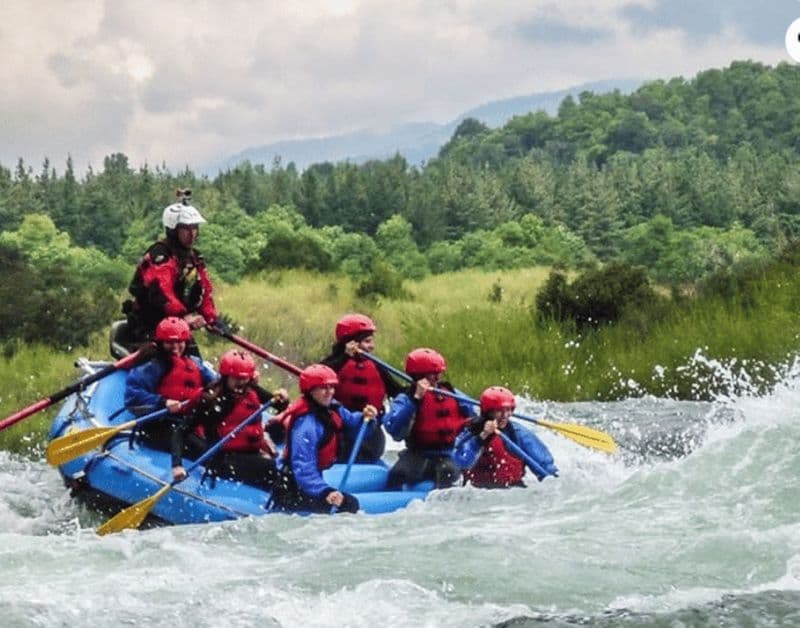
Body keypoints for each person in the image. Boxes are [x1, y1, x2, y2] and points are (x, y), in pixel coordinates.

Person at [171, 349, 289, 490]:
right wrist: (177, 465)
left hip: (250, 451)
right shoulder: (208, 400)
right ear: (225, 376)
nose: (241, 384)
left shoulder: (249, 388)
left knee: (282, 446)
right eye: (236, 379)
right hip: (223, 459)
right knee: (275, 470)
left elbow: (279, 405)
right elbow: (180, 432)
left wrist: (283, 398)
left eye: (245, 378)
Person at [122, 188, 218, 355]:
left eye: (194, 228)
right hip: (149, 328)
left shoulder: (194, 257)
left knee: (196, 368)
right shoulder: (160, 256)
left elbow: (205, 290)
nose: (192, 233)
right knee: (167, 368)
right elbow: (162, 292)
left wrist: (211, 318)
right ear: (173, 229)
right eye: (186, 229)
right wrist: (184, 318)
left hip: (177, 328)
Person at [273, 364, 377, 514]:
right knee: (350, 504)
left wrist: (366, 417)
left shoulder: (332, 408)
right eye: (323, 388)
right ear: (311, 390)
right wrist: (325, 492)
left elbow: (353, 424)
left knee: (348, 503)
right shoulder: (306, 425)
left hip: (309, 483)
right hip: (293, 487)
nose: (329, 392)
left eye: (331, 387)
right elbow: (303, 468)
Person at [382, 348, 475, 489]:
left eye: (439, 373)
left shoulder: (453, 394)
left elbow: (474, 418)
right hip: (417, 453)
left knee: (447, 472)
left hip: (448, 454)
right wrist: (416, 399)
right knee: (397, 475)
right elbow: (394, 429)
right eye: (433, 374)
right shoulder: (406, 398)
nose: (438, 378)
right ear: (419, 376)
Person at [124, 316, 217, 453]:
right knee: (202, 450)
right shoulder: (154, 365)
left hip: (189, 422)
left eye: (180, 342)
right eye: (170, 342)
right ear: (161, 342)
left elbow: (217, 384)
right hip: (161, 423)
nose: (175, 347)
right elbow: (132, 396)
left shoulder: (195, 363)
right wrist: (163, 402)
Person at [319, 313, 403, 463]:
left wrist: (418, 389)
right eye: (367, 341)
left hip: (369, 430)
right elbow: (319, 379)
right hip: (341, 430)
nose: (372, 346)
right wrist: (345, 356)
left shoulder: (376, 366)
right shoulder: (334, 364)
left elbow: (397, 391)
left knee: (372, 447)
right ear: (352, 343)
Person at [453, 386, 558, 488]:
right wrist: (482, 437)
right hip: (476, 492)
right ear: (488, 411)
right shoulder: (470, 430)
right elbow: (461, 462)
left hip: (512, 492)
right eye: (500, 411)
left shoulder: (518, 433)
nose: (505, 415)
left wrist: (553, 483)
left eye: (509, 410)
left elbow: (545, 468)